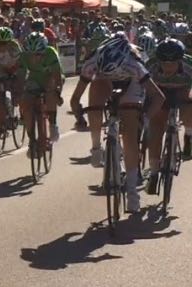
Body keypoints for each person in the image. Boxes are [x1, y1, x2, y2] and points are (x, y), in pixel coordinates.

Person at [69, 33, 164, 213]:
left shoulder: (135, 63)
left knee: (129, 134)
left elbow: (159, 97)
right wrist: (80, 117)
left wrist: (143, 118)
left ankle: (131, 192)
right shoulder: (93, 62)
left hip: (132, 83)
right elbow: (75, 99)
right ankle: (96, 147)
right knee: (95, 98)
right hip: (103, 80)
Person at [144, 38, 192, 195]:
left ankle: (189, 134)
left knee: (188, 105)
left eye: (172, 63)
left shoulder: (189, 65)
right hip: (160, 93)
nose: (168, 67)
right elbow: (139, 87)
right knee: (156, 128)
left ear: (180, 60)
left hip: (183, 90)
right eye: (164, 63)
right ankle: (153, 172)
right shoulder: (150, 66)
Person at [18, 31, 63, 148]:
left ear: (44, 51)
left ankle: (53, 124)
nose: (34, 58)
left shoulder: (51, 53)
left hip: (51, 77)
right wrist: (20, 95)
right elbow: (21, 78)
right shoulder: (23, 56)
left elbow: (57, 77)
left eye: (38, 54)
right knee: (26, 103)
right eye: (31, 54)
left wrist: (57, 92)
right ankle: (32, 139)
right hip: (35, 79)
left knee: (50, 92)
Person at [0, 27, 22, 139]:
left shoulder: (14, 47)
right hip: (3, 69)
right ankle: (1, 126)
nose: (2, 45)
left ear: (10, 42)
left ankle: (17, 108)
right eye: (0, 43)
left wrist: (14, 74)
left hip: (16, 68)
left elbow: (20, 62)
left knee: (17, 88)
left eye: (5, 43)